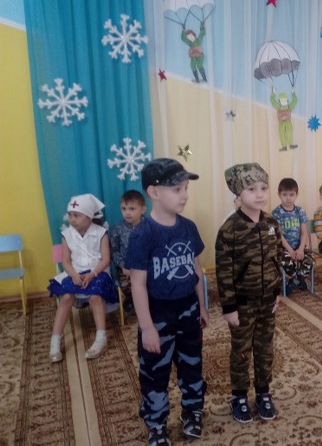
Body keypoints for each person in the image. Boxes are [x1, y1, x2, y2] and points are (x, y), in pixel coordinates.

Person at [126, 158, 209, 445]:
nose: (184, 195)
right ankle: (156, 424)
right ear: (154, 192)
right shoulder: (143, 234)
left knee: (192, 364)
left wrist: (202, 305)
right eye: (176, 189)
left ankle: (193, 411)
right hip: (158, 313)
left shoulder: (188, 227)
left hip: (188, 308)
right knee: (155, 372)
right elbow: (137, 284)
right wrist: (147, 327)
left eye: (185, 188)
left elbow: (197, 269)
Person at [215, 163, 283, 424]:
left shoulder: (272, 223)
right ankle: (239, 396)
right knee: (241, 351)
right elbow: (224, 272)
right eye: (251, 189)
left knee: (265, 349)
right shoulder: (229, 229)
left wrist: (277, 291)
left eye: (264, 188)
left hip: (267, 302)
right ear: (238, 194)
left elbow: (277, 259)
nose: (259, 194)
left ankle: (263, 393)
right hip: (242, 305)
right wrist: (229, 307)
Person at [48, 194, 118, 363]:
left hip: (98, 272)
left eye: (76, 215)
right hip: (75, 272)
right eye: (70, 215)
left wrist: (92, 274)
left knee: (95, 296)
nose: (72, 219)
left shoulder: (101, 233)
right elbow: (65, 261)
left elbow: (105, 259)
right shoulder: (66, 234)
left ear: (89, 216)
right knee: (66, 296)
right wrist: (73, 274)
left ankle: (101, 337)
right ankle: (55, 339)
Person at [271, 177, 314, 295]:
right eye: (284, 195)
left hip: (299, 245)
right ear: (279, 195)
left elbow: (304, 232)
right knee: (285, 262)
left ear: (296, 195)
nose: (288, 198)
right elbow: (279, 235)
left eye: (291, 195)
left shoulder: (300, 211)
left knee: (310, 261)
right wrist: (290, 250)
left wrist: (300, 249)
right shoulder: (276, 213)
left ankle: (294, 281)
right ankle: (298, 279)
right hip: (284, 247)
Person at [109, 190, 146, 313]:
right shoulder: (117, 229)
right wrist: (123, 265)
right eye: (124, 209)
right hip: (126, 269)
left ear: (143, 209)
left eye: (132, 209)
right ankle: (132, 303)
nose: (127, 212)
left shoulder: (149, 227)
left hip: (147, 266)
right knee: (128, 287)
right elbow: (114, 251)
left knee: (153, 285)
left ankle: (149, 306)